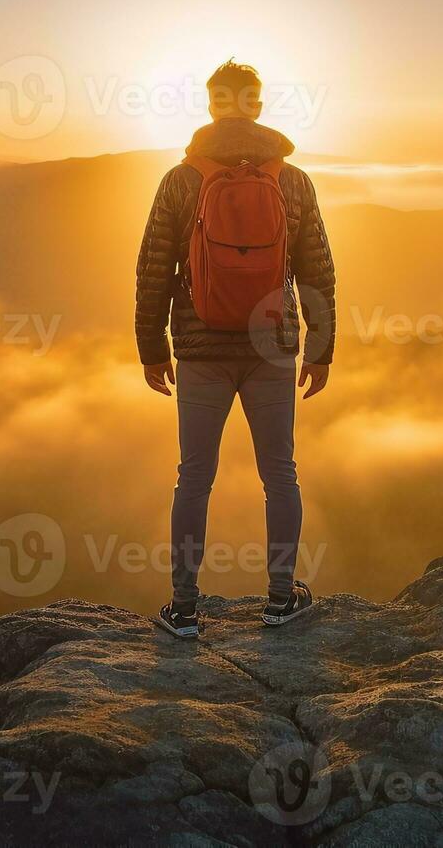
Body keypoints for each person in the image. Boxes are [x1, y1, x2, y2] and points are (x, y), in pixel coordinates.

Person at [134, 60, 337, 639]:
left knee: (194, 478)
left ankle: (185, 608)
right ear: (257, 105)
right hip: (271, 345)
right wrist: (319, 350)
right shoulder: (291, 179)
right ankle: (279, 599)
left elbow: (153, 268)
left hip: (199, 349)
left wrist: (152, 348)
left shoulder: (181, 179)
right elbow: (317, 269)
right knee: (281, 473)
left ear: (211, 106)